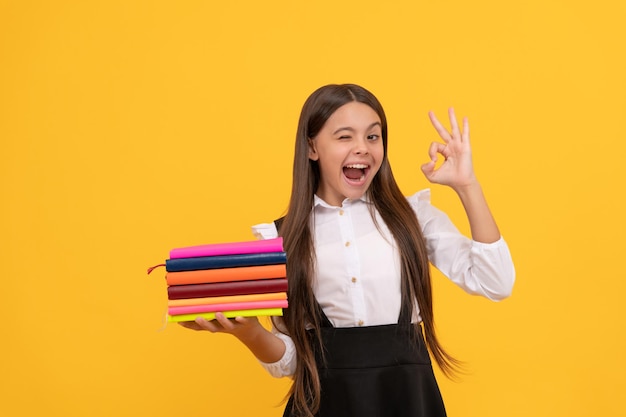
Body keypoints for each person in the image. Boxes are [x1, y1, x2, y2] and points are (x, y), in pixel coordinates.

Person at [179, 84, 515, 417]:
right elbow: (292, 362)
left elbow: (496, 282)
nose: (363, 148)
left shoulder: (413, 217)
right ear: (312, 147)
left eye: (373, 136)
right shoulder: (279, 239)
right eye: (344, 137)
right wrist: (249, 332)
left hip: (408, 400)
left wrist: (467, 186)